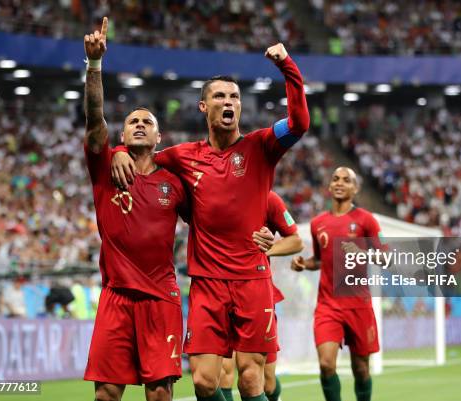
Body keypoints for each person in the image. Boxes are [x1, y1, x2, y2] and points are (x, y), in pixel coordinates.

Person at [112, 42, 309, 401]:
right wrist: (118, 150)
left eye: (234, 96)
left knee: (252, 380)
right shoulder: (183, 156)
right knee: (204, 381)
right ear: (204, 106)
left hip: (252, 280)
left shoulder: (261, 146)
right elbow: (143, 153)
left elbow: (299, 123)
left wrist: (287, 68)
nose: (229, 102)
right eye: (219, 96)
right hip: (206, 283)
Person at [82, 17, 188, 401]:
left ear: (159, 137)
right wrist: (94, 67)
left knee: (159, 394)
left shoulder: (175, 182)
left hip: (161, 297)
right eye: (132, 122)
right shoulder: (105, 166)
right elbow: (95, 121)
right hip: (116, 297)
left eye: (148, 122)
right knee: (106, 395)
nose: (140, 125)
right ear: (122, 135)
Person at [290, 167, 384, 401]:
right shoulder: (317, 223)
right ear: (330, 186)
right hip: (328, 306)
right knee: (326, 364)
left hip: (358, 306)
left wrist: (362, 252)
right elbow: (320, 261)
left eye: (346, 180)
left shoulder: (366, 221)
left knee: (361, 369)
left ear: (355, 188)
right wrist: (304, 263)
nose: (340, 183)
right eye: (335, 179)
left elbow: (385, 257)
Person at [220, 191, 304, 401]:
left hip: (256, 294)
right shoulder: (211, 192)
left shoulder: (268, 198)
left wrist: (264, 250)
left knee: (265, 381)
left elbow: (296, 241)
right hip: (217, 290)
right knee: (220, 373)